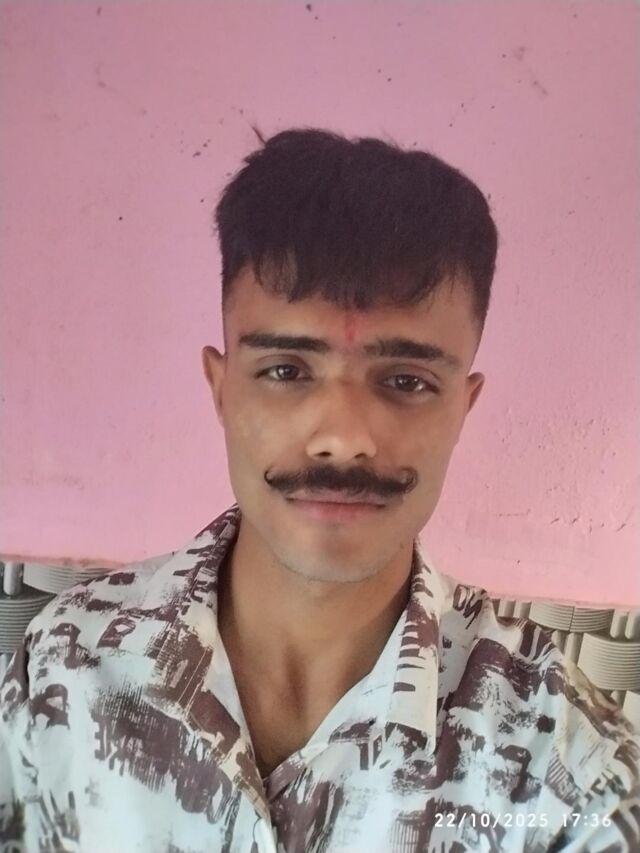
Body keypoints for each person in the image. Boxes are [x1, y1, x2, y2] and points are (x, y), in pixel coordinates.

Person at [1, 127, 638, 853]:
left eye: (407, 381)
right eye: (286, 371)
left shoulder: (568, 770)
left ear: (463, 407)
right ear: (221, 389)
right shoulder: (66, 666)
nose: (342, 437)